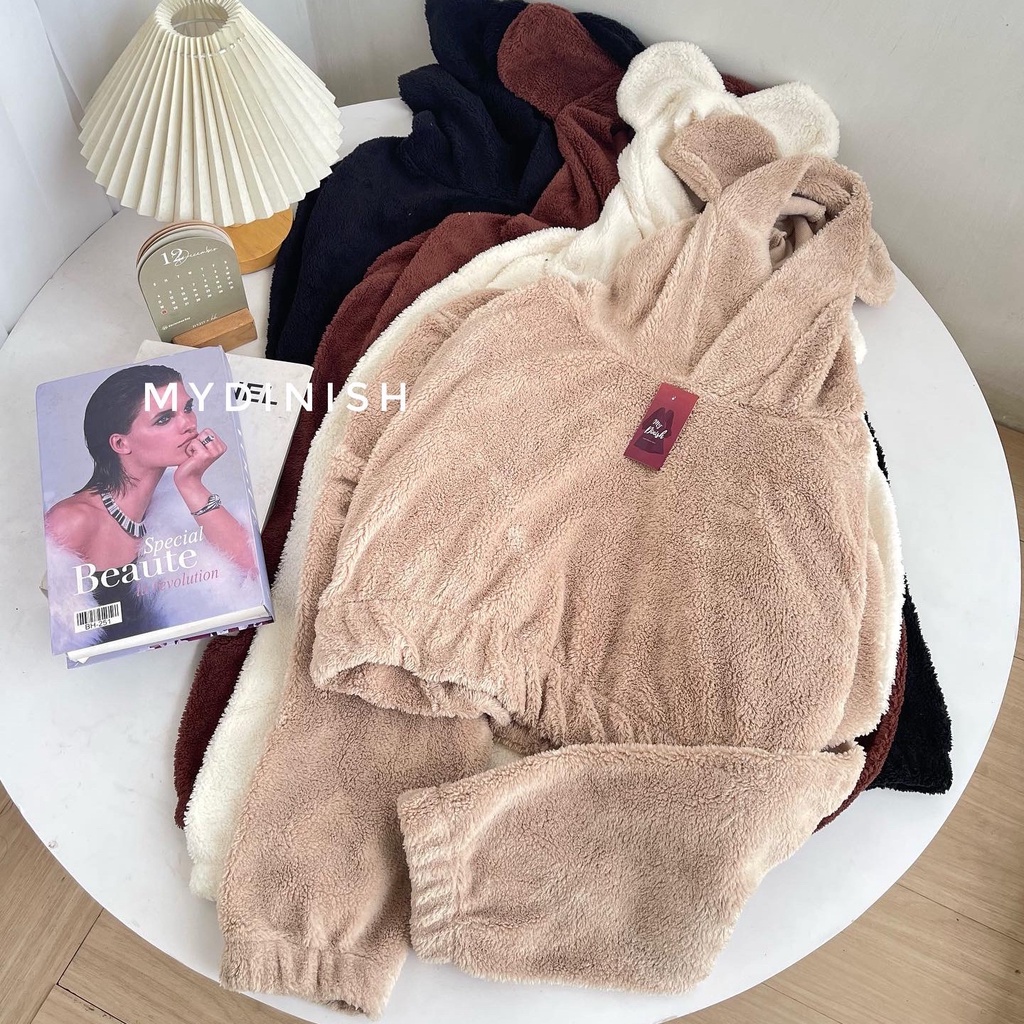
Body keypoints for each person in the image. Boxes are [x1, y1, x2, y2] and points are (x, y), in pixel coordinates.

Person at [45, 364, 257, 599]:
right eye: (164, 419)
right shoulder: (69, 522)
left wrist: (191, 483)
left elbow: (254, 572)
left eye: (188, 408)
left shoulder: (173, 503)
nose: (188, 424)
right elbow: (63, 613)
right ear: (120, 444)